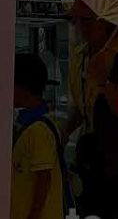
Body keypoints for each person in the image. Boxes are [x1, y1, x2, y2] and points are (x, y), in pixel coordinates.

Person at [66, 0, 118, 218]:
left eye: (85, 20)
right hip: (88, 151)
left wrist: (104, 85)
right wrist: (60, 134)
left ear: (105, 20)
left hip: (117, 157)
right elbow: (78, 108)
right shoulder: (78, 55)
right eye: (73, 20)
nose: (78, 26)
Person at [11, 53, 66, 219]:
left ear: (20, 87)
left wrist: (33, 215)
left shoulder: (38, 129)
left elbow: (44, 179)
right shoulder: (36, 121)